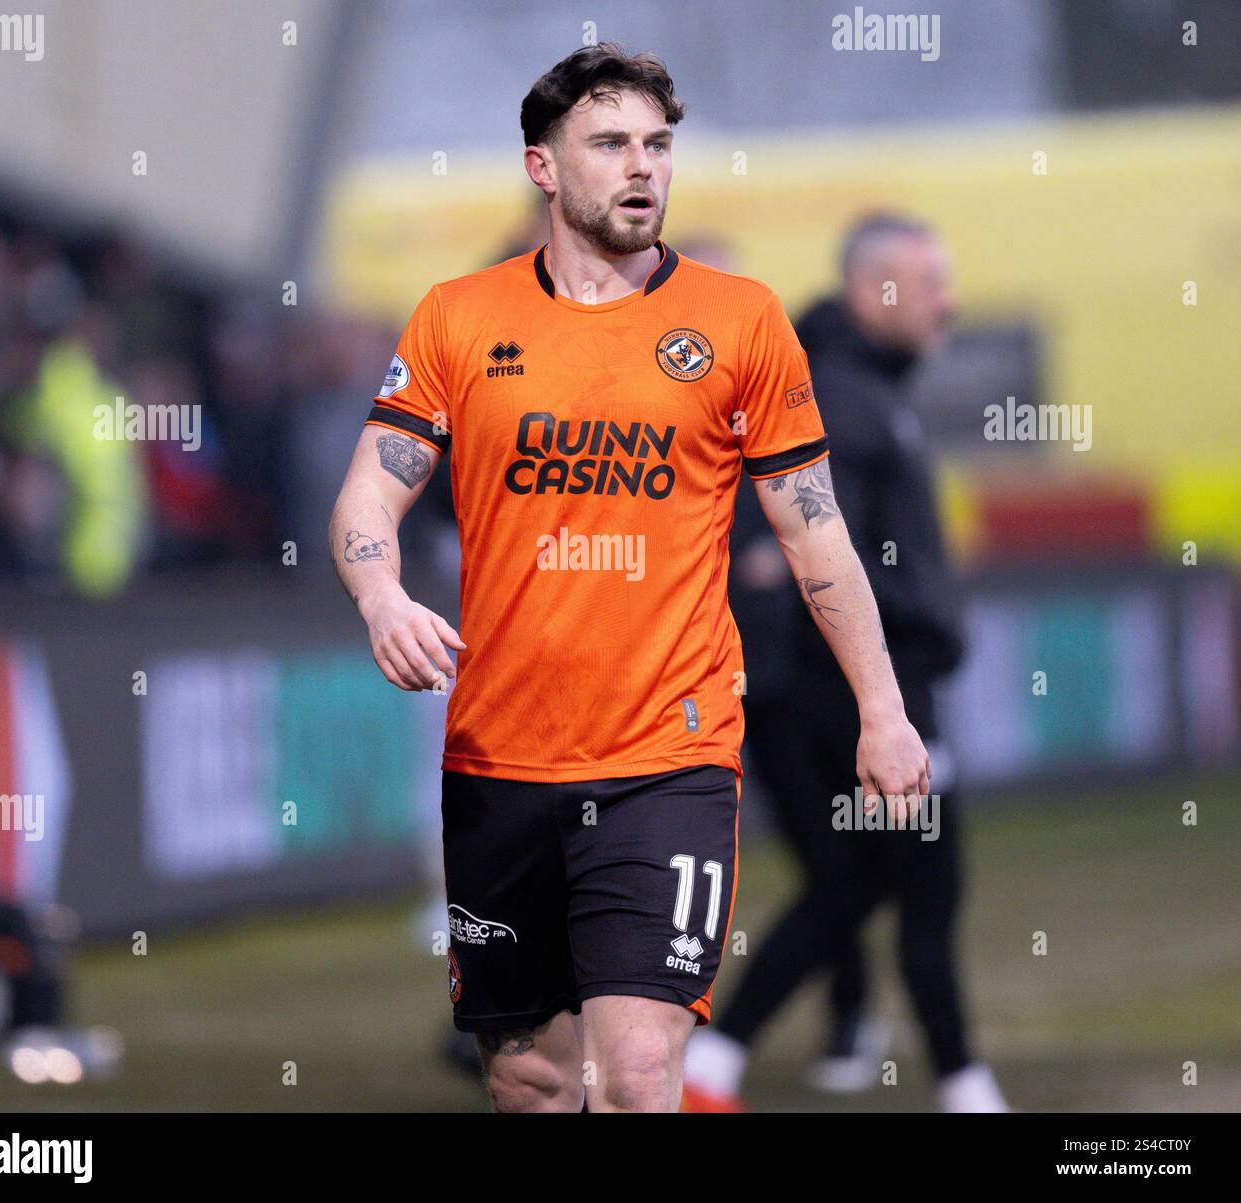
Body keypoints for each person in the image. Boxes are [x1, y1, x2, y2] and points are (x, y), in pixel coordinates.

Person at [330, 46, 932, 1113]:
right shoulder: (457, 319)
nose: (642, 166)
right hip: (499, 761)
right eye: (610, 143)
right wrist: (382, 598)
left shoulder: (742, 321)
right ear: (543, 168)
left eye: (657, 143)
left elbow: (818, 535)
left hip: (670, 755)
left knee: (638, 1071)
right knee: (529, 1076)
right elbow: (368, 499)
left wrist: (881, 710)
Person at [683, 215, 1010, 1113]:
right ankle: (959, 1080)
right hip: (868, 692)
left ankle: (722, 1060)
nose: (947, 301)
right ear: (876, 290)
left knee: (855, 882)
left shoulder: (864, 388)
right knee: (915, 884)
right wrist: (883, 685)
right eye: (929, 282)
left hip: (862, 686)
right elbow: (821, 551)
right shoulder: (838, 395)